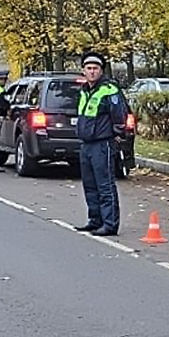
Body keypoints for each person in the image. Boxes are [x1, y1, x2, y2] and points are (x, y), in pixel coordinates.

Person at [74, 52, 127, 236]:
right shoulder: (84, 90)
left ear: (101, 70)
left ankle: (110, 224)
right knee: (90, 184)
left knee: (105, 185)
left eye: (95, 68)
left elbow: (119, 115)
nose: (92, 72)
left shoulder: (109, 89)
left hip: (102, 143)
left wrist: (118, 136)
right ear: (83, 71)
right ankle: (95, 220)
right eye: (88, 68)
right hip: (86, 144)